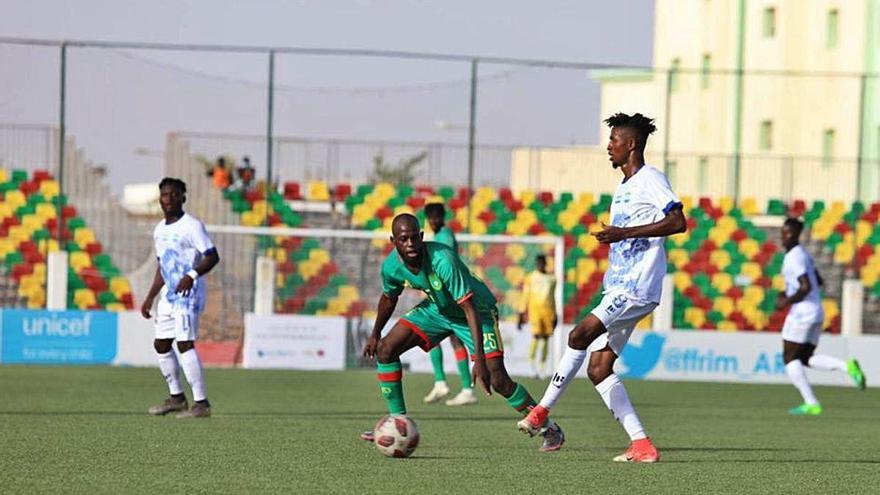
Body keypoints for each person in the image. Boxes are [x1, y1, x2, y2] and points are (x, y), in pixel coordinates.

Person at [517, 113, 686, 463]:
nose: (609, 146)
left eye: (614, 140)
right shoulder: (623, 187)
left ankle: (542, 411)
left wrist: (622, 234)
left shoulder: (650, 178)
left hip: (636, 286)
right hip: (619, 287)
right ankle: (642, 445)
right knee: (598, 369)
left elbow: (677, 221)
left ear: (632, 144)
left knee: (578, 335)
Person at [360, 214, 565, 452]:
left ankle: (548, 428)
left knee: (497, 379)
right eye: (404, 239)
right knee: (386, 349)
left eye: (415, 238)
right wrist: (375, 333)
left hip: (478, 312)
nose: (410, 244)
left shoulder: (443, 260)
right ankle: (396, 423)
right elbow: (388, 298)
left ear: (422, 237)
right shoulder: (391, 267)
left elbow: (469, 310)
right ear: (393, 241)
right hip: (438, 309)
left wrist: (478, 360)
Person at [142, 178, 221, 418]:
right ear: (160, 199)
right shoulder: (159, 230)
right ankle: (176, 398)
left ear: (183, 198)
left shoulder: (192, 225)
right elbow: (162, 266)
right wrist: (150, 297)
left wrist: (192, 274)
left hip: (189, 292)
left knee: (184, 343)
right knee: (161, 344)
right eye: (165, 195)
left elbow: (212, 256)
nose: (169, 199)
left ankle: (201, 403)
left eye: (175, 195)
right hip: (169, 294)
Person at [777, 217, 866, 415]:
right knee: (805, 357)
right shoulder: (804, 255)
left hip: (802, 314)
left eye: (787, 232)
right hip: (816, 311)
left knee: (789, 358)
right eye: (783, 232)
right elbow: (818, 280)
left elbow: (806, 285)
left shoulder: (794, 256)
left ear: (795, 234)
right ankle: (847, 367)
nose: (783, 236)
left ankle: (811, 403)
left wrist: (786, 300)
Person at [422, 202, 477, 406]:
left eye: (436, 217)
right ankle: (455, 386)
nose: (433, 221)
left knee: (432, 334)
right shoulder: (441, 235)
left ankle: (450, 384)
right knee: (450, 340)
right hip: (446, 293)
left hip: (448, 294)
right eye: (430, 217)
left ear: (442, 217)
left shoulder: (444, 237)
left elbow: (445, 265)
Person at [517, 254, 557, 379]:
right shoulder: (530, 278)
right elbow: (525, 295)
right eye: (538, 263)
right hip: (535, 311)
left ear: (545, 263)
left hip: (548, 312)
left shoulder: (552, 279)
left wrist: (555, 313)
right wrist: (521, 313)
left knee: (545, 338)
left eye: (542, 262)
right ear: (536, 263)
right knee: (536, 336)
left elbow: (553, 297)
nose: (540, 265)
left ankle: (542, 367)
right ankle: (531, 366)